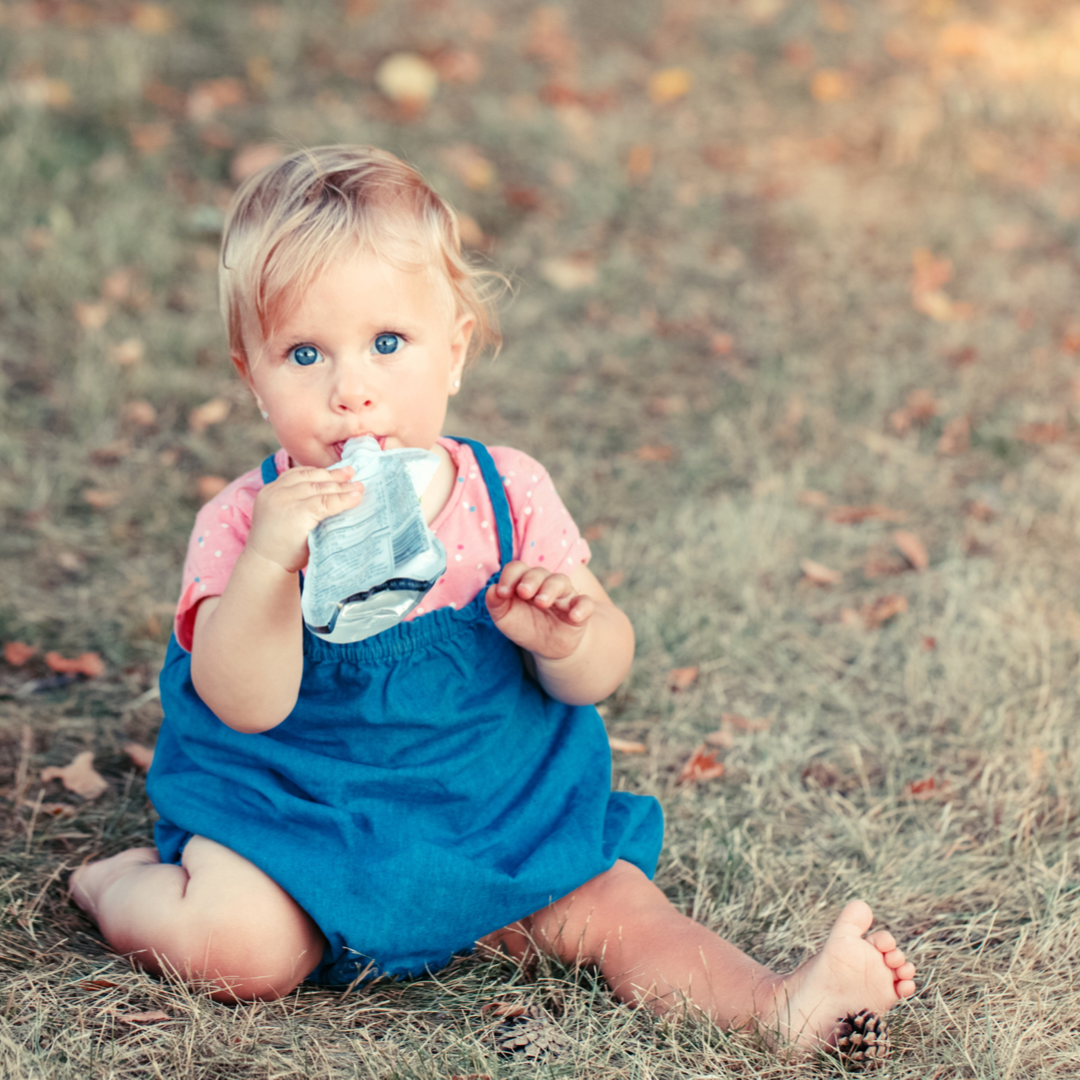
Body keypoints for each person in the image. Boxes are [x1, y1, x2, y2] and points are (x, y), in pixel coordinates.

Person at [70, 145, 916, 1047]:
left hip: (491, 812)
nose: (352, 391)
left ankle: (779, 1007)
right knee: (242, 950)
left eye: (388, 344)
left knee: (622, 912)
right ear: (252, 376)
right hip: (303, 814)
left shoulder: (507, 496)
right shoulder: (246, 523)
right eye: (305, 353)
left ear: (455, 354)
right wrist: (274, 568)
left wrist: (566, 639)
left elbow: (597, 676)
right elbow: (245, 701)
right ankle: (115, 883)